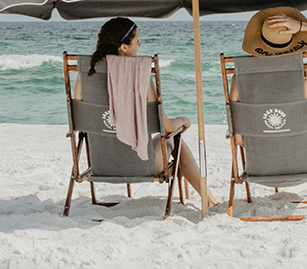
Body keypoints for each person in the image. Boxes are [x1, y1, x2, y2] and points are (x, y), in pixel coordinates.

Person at [73, 17, 219, 207]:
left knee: (168, 140)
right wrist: (182, 121)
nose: (140, 46)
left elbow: (79, 120)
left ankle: (207, 198)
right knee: (176, 141)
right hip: (140, 165)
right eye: (137, 41)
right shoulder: (140, 75)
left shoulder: (85, 74)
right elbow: (165, 127)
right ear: (123, 47)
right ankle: (210, 201)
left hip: (101, 163)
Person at [231, 6, 307, 174]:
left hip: (258, 169)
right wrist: (302, 26)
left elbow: (238, 139)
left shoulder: (239, 79)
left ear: (259, 39)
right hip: (304, 167)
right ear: (294, 41)